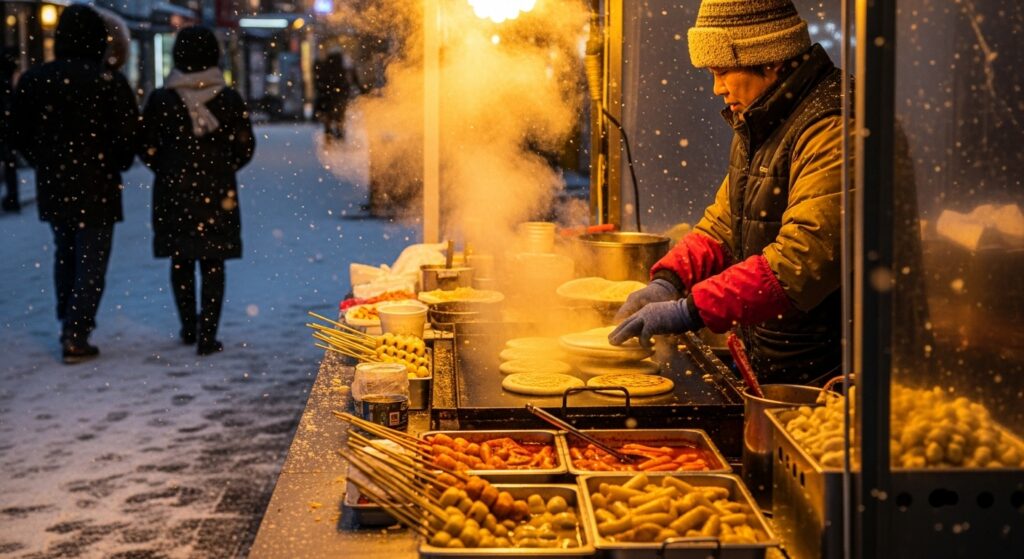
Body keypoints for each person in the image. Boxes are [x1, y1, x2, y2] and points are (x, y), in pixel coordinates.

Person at [609, 0, 848, 385]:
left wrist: (690, 310)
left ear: (770, 60)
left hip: (830, 376)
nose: (717, 88)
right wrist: (669, 280)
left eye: (722, 72)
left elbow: (802, 260)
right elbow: (725, 223)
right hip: (781, 364)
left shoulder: (833, 126)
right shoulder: (763, 118)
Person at [10, 5, 138, 363]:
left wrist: (43, 158)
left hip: (55, 181)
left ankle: (68, 320)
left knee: (65, 251)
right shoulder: (109, 82)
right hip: (98, 183)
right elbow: (128, 139)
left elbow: (17, 132)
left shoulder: (37, 80)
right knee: (92, 260)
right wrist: (114, 159)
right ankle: (77, 331)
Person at [137, 26, 255, 355]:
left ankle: (188, 326)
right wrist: (222, 167)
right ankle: (208, 333)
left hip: (173, 191)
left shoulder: (162, 98)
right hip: (217, 191)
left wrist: (166, 167)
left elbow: (145, 146)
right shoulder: (228, 98)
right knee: (213, 260)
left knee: (181, 259)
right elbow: (246, 147)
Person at [313, 51, 354, 141]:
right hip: (338, 97)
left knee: (329, 116)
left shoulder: (325, 68)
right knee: (339, 115)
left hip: (327, 97)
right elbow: (346, 83)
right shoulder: (341, 70)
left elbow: (320, 83)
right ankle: (339, 133)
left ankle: (328, 133)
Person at [1, 47, 18, 212]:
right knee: (9, 161)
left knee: (8, 160)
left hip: (6, 118)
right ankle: (13, 196)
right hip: (7, 119)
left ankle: (12, 197)